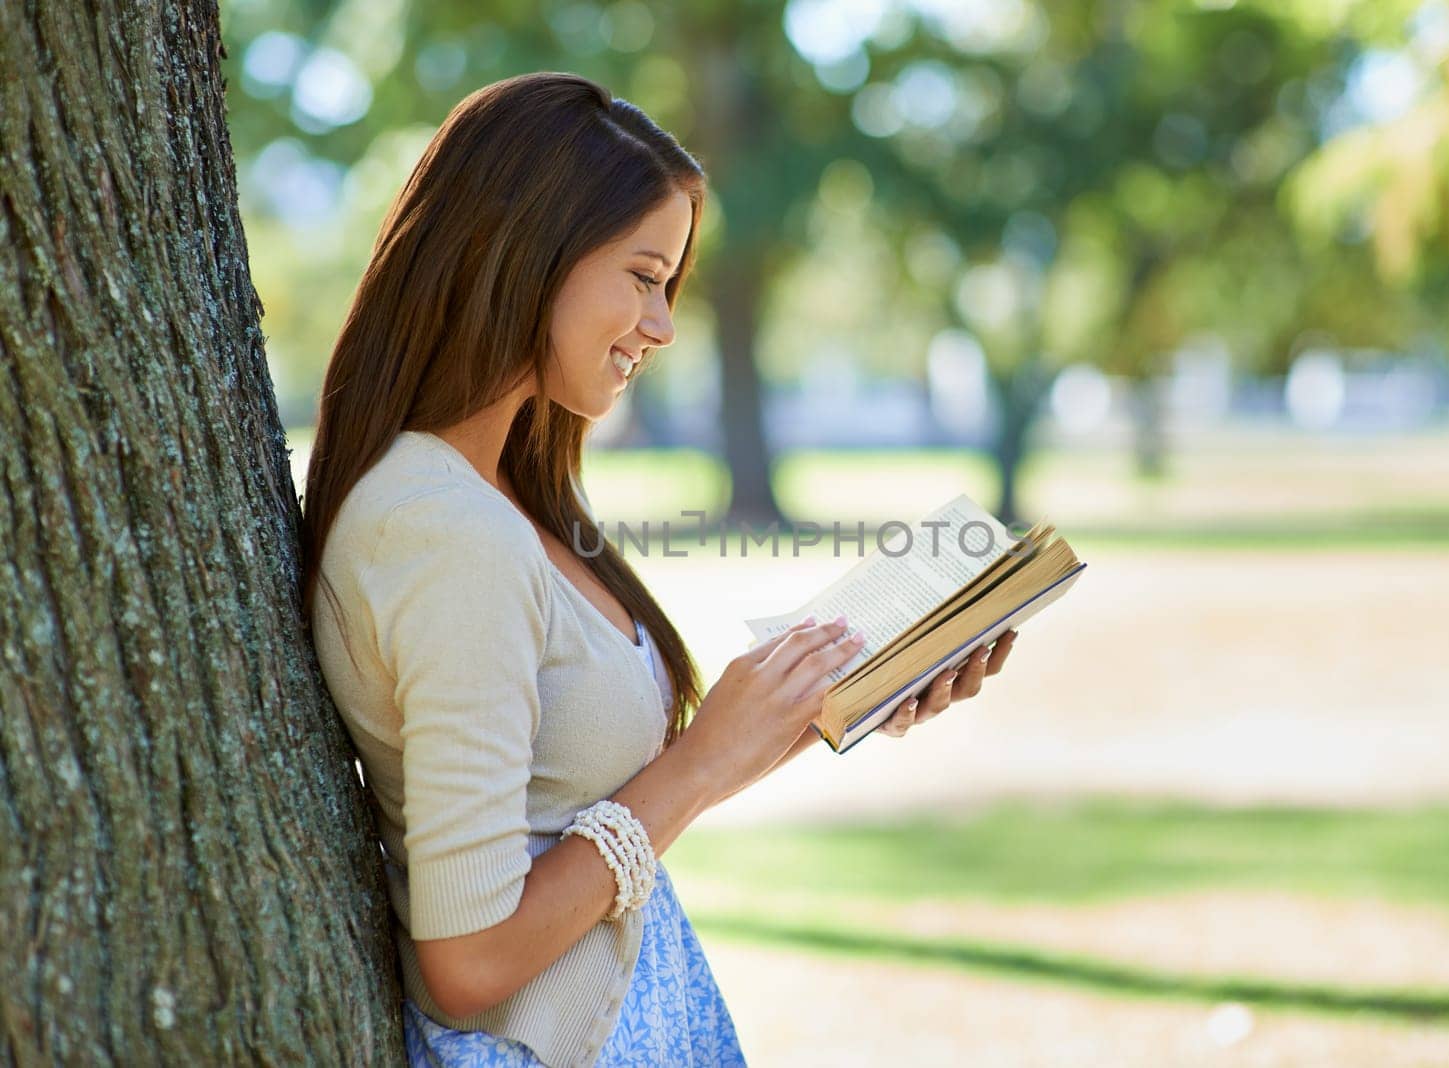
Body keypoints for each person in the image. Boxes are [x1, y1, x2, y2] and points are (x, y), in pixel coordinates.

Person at [299, 72, 1019, 1068]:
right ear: (522, 251)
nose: (662, 324)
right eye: (642, 277)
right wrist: (702, 761)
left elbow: (570, 789)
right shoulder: (442, 529)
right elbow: (466, 959)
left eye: (669, 286)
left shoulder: (503, 493)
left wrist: (837, 699)